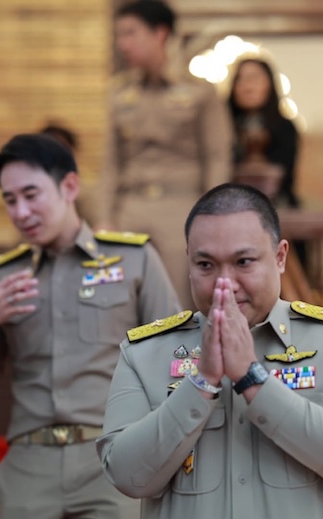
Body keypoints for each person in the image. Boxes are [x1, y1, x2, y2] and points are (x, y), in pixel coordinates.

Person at [97, 183, 323, 519]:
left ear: (280, 257)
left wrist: (253, 379)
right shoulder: (144, 353)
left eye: (243, 262)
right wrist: (201, 382)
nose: (225, 283)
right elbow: (126, 476)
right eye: (205, 265)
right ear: (188, 260)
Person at [0, 133, 180, 519]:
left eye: (31, 194)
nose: (21, 212)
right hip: (30, 462)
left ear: (69, 187)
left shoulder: (134, 260)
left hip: (113, 455)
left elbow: (173, 361)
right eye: (10, 200)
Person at [100, 0, 231, 309]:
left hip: (182, 210)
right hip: (129, 209)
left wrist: (214, 218)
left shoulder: (200, 92)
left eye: (131, 34)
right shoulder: (119, 94)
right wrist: (105, 218)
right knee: (120, 307)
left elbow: (216, 158)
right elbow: (110, 163)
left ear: (160, 34)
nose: (123, 45)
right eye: (119, 35)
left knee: (179, 307)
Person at [228, 57, 300, 209]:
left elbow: (286, 176)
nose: (247, 87)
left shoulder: (284, 127)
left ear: (269, 84)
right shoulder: (223, 127)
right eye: (240, 79)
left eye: (253, 78)